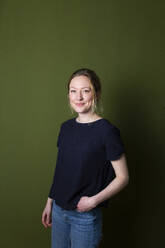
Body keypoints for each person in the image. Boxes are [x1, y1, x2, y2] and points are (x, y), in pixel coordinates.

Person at [41, 68, 129, 248]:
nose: (78, 97)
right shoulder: (65, 128)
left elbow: (123, 177)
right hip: (58, 211)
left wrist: (93, 201)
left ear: (96, 94)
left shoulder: (107, 131)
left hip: (85, 217)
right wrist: (49, 202)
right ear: (68, 95)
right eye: (73, 91)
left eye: (85, 90)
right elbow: (61, 168)